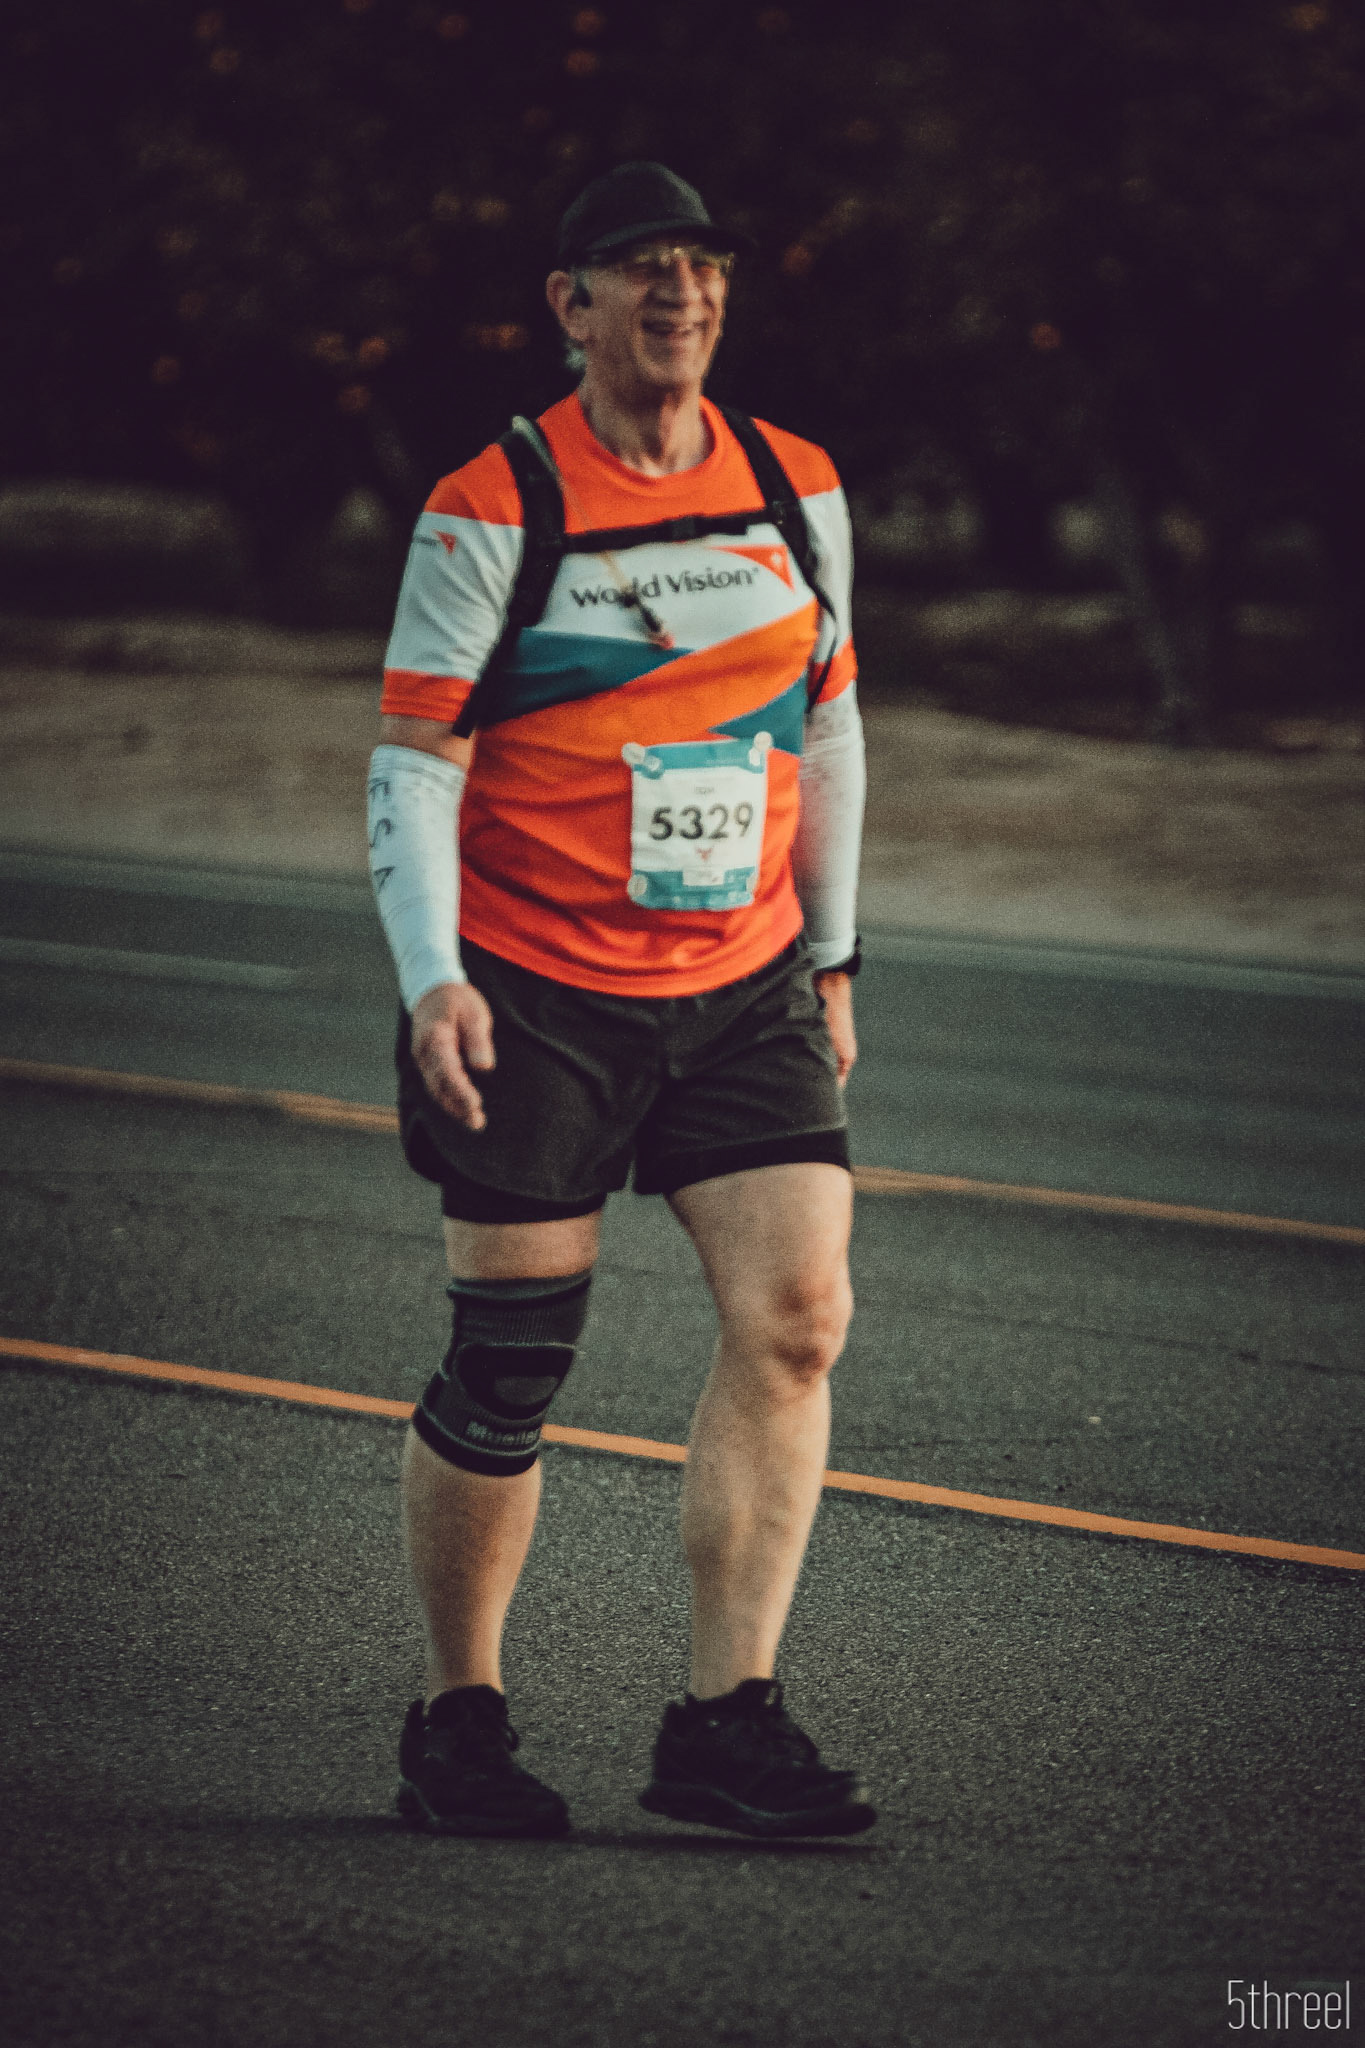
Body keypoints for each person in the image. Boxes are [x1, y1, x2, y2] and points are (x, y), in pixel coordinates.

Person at [367, 161, 872, 1840]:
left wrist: (834, 955)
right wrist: (433, 979)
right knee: (512, 1363)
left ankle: (726, 1721)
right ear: (568, 304)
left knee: (797, 1318)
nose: (681, 295)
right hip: (536, 994)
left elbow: (827, 727)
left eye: (702, 266)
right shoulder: (493, 503)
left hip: (740, 986)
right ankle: (458, 1718)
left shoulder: (793, 484)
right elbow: (414, 762)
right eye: (641, 269)